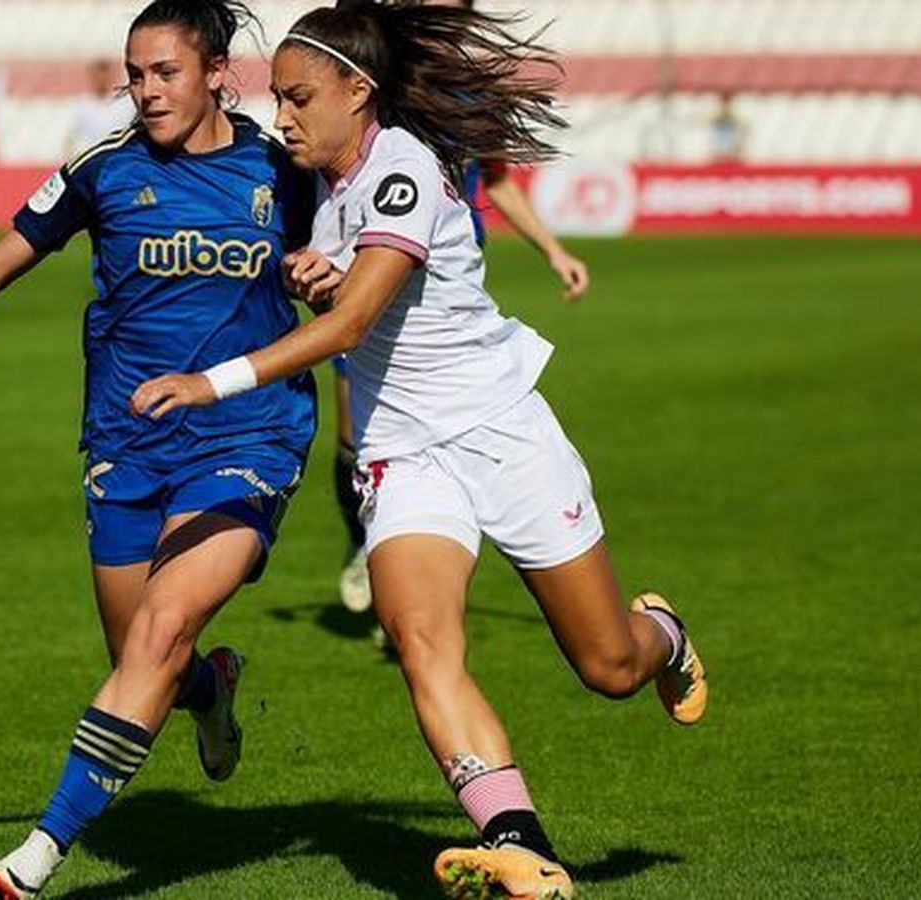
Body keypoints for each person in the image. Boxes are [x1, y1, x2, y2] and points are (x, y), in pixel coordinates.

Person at [131, 3, 708, 897]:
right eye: (277, 99)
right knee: (420, 640)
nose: (281, 117)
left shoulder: (404, 165)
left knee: (608, 667)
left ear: (359, 93)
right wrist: (315, 276)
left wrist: (215, 381)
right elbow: (345, 300)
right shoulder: (320, 194)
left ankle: (663, 637)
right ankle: (520, 845)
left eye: (299, 98)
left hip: (502, 432)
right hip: (405, 454)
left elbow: (357, 320)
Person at [0, 3, 329, 897]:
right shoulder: (104, 169)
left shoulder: (280, 169)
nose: (145, 91)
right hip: (127, 442)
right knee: (146, 659)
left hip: (249, 431)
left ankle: (41, 851)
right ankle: (212, 688)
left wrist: (320, 273)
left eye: (164, 72)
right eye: (134, 74)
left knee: (162, 629)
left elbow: (347, 274)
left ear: (216, 71)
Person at [334, 0, 591, 616]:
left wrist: (554, 250)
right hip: (368, 276)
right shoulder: (382, 88)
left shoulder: (470, 96)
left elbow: (497, 180)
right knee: (353, 434)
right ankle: (365, 541)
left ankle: (411, 558)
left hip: (442, 291)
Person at [67, 59, 135, 155]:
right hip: (93, 158)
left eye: (103, 75)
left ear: (109, 76)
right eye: (97, 76)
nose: (100, 79)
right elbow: (71, 138)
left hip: (119, 156)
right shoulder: (83, 105)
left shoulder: (124, 103)